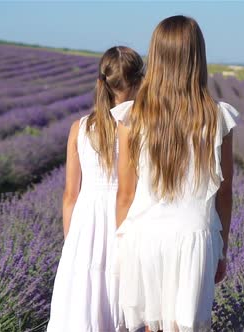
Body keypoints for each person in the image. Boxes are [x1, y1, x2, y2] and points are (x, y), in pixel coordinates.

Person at [115, 16, 238, 332]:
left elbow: (125, 194)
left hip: (144, 236)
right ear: (198, 57)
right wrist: (222, 249)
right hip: (194, 236)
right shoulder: (217, 118)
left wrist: (120, 249)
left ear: (155, 56)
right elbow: (224, 192)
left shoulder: (134, 116)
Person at [47, 46, 144, 332]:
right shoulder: (137, 128)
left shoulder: (80, 128)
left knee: (81, 302)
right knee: (118, 299)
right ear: (140, 82)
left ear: (101, 82)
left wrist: (72, 239)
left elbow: (70, 195)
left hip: (85, 225)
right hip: (124, 219)